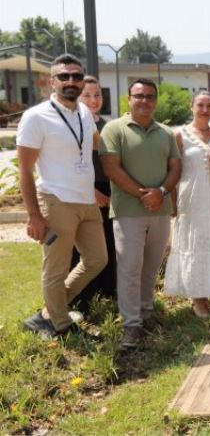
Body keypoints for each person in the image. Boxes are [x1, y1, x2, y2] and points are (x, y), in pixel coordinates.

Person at [17, 54, 108, 338]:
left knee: (96, 260)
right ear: (52, 82)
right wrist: (34, 215)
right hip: (56, 202)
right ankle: (61, 326)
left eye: (76, 76)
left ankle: (48, 313)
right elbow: (25, 171)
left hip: (86, 202)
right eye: (64, 76)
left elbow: (96, 147)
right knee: (55, 269)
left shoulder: (83, 113)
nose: (71, 81)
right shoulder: (36, 116)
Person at [100, 78, 181, 348]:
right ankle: (131, 324)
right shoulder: (114, 129)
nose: (144, 100)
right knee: (130, 268)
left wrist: (162, 193)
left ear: (155, 101)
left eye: (149, 96)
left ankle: (146, 314)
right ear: (129, 99)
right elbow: (112, 168)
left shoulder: (166, 133)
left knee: (151, 267)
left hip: (161, 210)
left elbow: (175, 169)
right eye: (138, 96)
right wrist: (145, 195)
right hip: (128, 212)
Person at [164, 91, 210, 318]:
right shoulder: (180, 135)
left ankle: (206, 295)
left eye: (209, 105)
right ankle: (196, 299)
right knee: (194, 245)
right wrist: (172, 201)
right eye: (200, 105)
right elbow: (174, 171)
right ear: (191, 106)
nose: (205, 110)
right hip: (192, 198)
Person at [69, 75, 117, 313]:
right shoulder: (73, 123)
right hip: (84, 190)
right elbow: (71, 162)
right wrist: (92, 191)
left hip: (108, 191)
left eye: (97, 94)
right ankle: (80, 302)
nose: (93, 99)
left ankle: (107, 294)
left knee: (108, 244)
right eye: (87, 95)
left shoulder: (106, 124)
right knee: (83, 250)